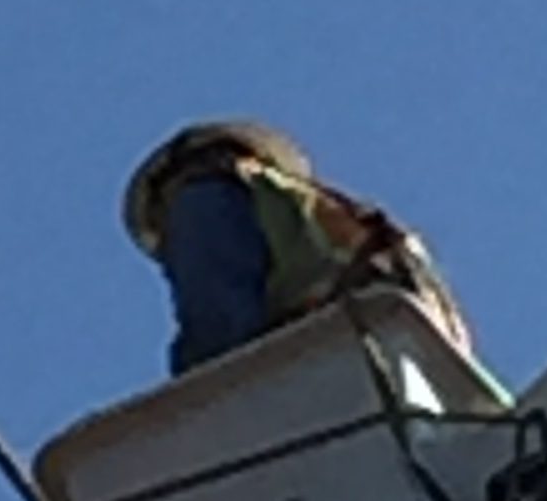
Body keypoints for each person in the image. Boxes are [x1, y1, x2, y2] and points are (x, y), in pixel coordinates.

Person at [121, 118, 469, 375]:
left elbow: (221, 333)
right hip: (412, 369)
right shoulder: (335, 215)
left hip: (328, 372)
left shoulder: (202, 197)